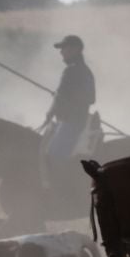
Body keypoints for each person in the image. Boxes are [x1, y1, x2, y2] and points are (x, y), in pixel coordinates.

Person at [41, 35, 96, 187]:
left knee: (52, 155)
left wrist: (51, 112)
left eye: (64, 48)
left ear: (76, 49)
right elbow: (90, 98)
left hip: (71, 122)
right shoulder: (85, 71)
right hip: (73, 121)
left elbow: (60, 98)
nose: (61, 53)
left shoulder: (71, 71)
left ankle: (60, 189)